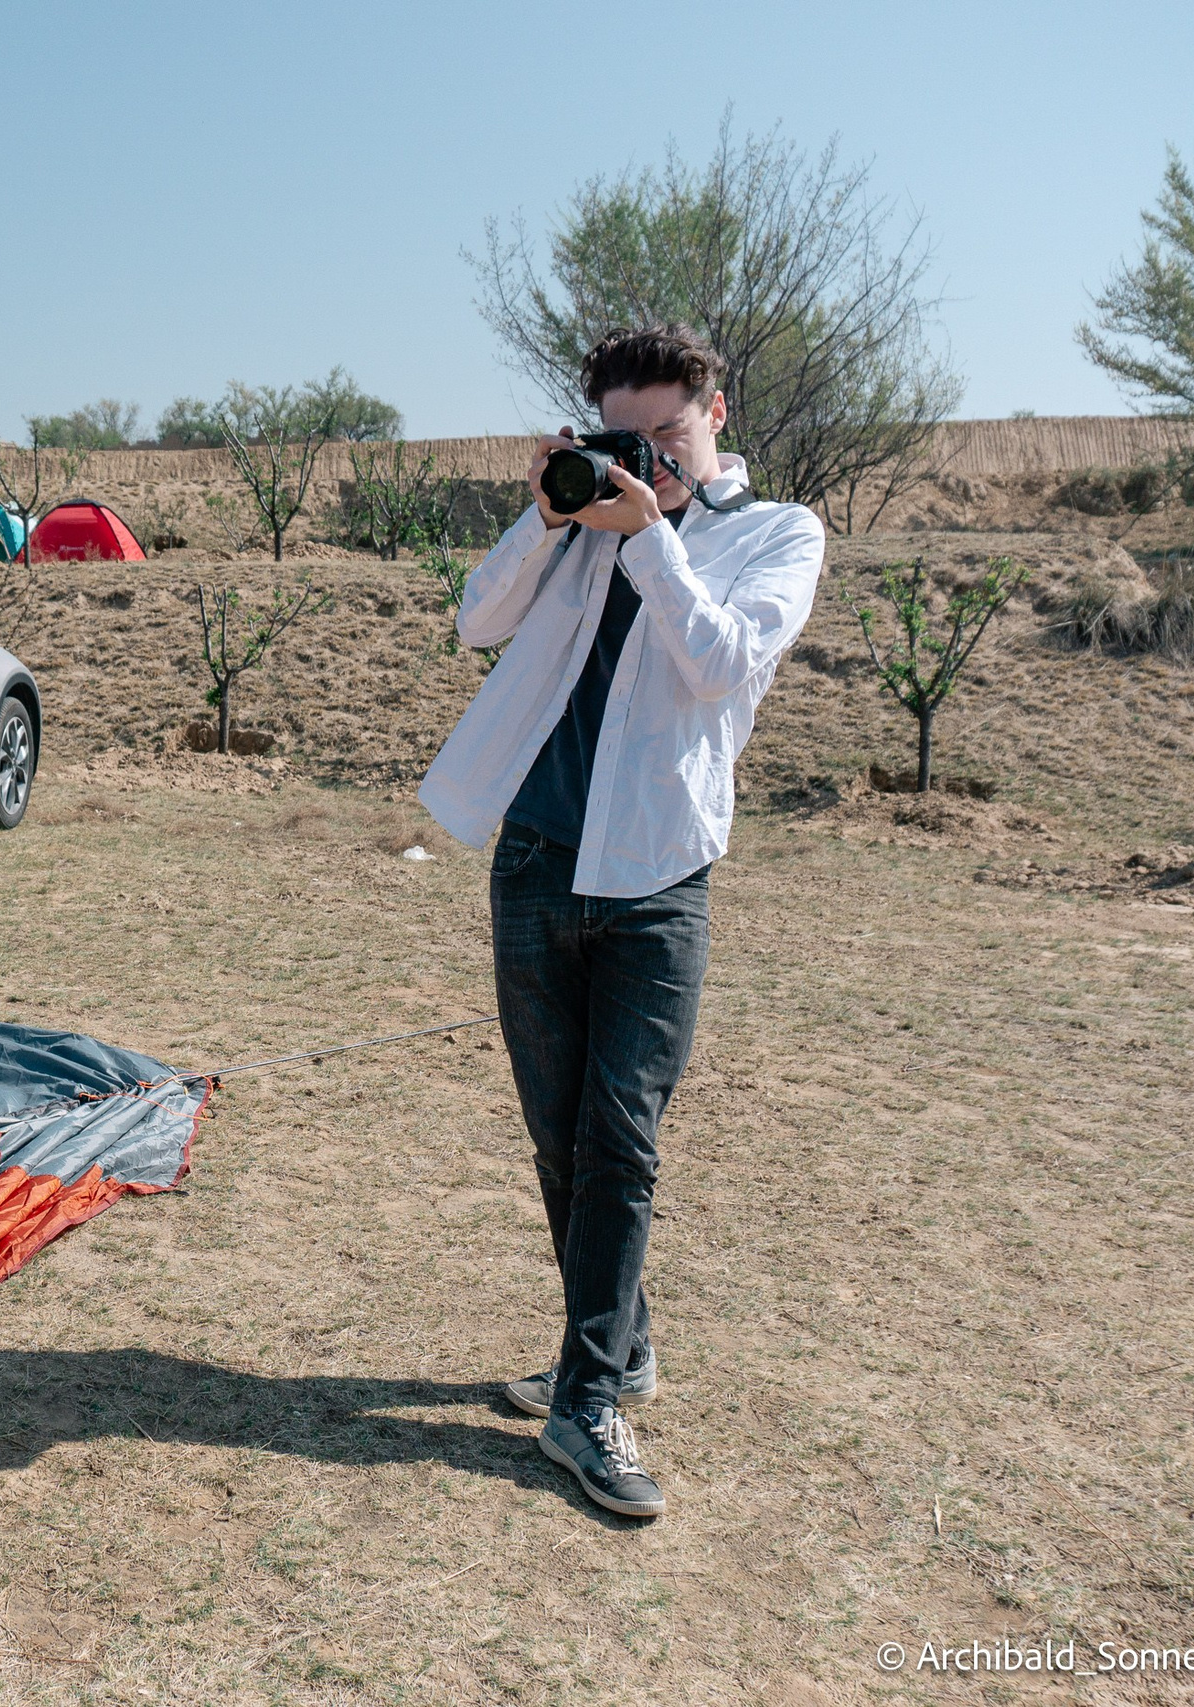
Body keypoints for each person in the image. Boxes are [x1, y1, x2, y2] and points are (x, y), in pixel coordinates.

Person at [418, 324, 825, 1518]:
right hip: (537, 860)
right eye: (621, 436)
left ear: (715, 410)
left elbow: (718, 661)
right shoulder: (583, 513)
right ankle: (616, 1348)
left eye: (665, 434)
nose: (643, 456)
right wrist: (549, 514)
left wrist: (648, 534)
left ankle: (585, 1402)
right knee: (559, 1139)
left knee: (621, 1141)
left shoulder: (774, 535)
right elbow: (475, 622)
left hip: (657, 877)